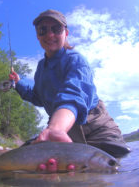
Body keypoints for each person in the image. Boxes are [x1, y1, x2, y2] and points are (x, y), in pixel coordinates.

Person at [9, 9, 130, 158]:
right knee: (22, 159)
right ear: (37, 36)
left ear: (66, 33)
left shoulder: (76, 60)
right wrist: (18, 83)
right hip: (64, 133)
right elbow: (38, 97)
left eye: (56, 29)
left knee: (116, 164)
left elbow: (73, 95)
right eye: (43, 30)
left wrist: (55, 129)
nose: (49, 34)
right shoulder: (40, 68)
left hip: (97, 130)